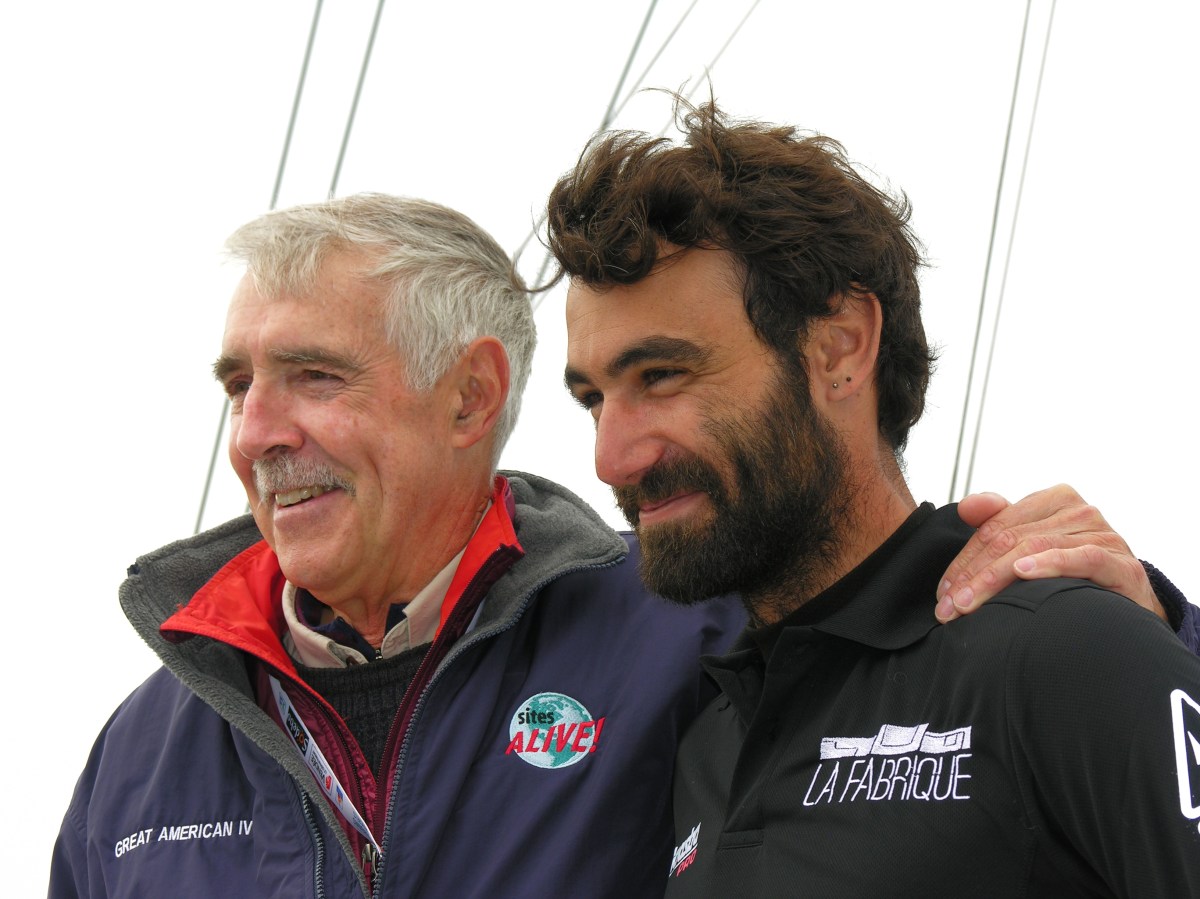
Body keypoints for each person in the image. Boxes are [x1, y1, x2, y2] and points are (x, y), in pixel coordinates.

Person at [49, 195, 1188, 899]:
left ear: (471, 397)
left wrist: (1154, 626)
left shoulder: (691, 626)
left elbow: (906, 620)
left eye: (313, 376)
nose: (257, 431)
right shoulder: (139, 754)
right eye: (238, 384)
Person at [546, 99, 1200, 896]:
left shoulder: (1061, 649)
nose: (611, 459)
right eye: (593, 398)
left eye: (661, 376)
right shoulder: (708, 736)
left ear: (840, 348)